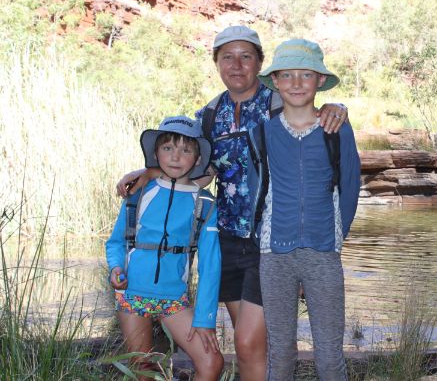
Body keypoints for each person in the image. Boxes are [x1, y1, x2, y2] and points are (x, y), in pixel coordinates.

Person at [116, 26, 349, 381]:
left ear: (259, 63)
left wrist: (337, 107)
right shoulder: (208, 116)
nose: (237, 65)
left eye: (246, 56)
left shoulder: (277, 105)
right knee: (248, 342)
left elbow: (310, 112)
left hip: (268, 242)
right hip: (223, 239)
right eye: (228, 57)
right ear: (217, 63)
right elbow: (187, 163)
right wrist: (149, 172)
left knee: (249, 342)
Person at [246, 39, 361, 380]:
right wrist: (264, 240)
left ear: (320, 81)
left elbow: (350, 190)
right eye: (288, 75)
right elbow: (257, 192)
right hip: (274, 255)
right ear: (276, 82)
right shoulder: (262, 133)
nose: (296, 83)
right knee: (280, 354)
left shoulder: (337, 131)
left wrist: (332, 241)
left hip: (323, 253)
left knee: (329, 356)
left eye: (306, 75)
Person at [106, 116, 223, 381]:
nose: (175, 156)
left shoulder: (205, 203)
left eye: (185, 150)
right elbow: (115, 242)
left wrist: (205, 319)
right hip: (132, 294)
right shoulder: (138, 193)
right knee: (143, 369)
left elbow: (210, 266)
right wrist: (115, 267)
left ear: (196, 159)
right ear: (156, 153)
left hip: (174, 300)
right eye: (168, 148)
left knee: (211, 362)